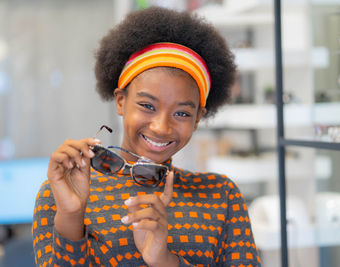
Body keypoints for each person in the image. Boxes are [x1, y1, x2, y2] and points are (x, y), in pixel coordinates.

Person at [32, 6, 260, 266]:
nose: (161, 127)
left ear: (198, 118)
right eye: (147, 106)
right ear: (120, 101)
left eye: (182, 113)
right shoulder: (60, 194)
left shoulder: (220, 195)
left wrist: (163, 260)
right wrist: (72, 217)